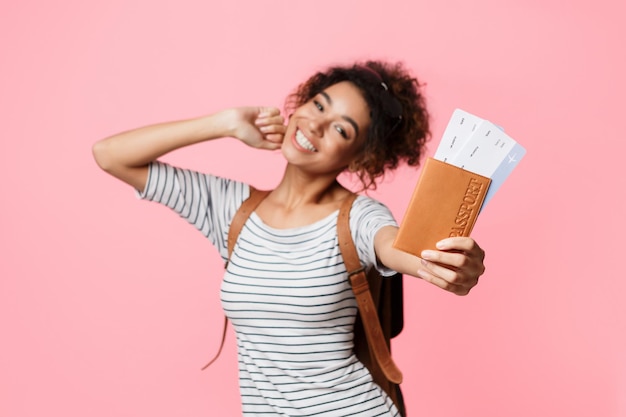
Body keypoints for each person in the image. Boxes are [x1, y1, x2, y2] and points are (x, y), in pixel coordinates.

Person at [92, 60, 486, 416]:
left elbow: (397, 248)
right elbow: (110, 154)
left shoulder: (358, 218)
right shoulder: (232, 211)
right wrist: (225, 123)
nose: (315, 125)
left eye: (341, 129)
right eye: (318, 105)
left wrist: (441, 265)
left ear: (360, 157)